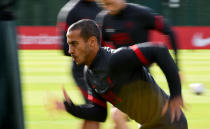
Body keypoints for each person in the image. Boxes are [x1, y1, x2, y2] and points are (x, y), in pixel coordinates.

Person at [55, 19, 188, 129]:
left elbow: (160, 51)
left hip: (170, 122)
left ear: (92, 42)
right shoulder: (89, 74)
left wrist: (176, 94)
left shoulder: (116, 58)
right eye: (69, 45)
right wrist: (71, 108)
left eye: (74, 44)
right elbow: (99, 112)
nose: (70, 50)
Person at [95, 0, 180, 128]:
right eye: (105, 4)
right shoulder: (104, 19)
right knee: (119, 122)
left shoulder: (141, 14)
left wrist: (177, 66)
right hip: (119, 81)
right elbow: (99, 49)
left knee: (118, 117)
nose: (107, 7)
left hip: (141, 81)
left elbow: (169, 31)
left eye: (110, 3)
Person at [56, 0, 102, 129]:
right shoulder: (71, 11)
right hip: (82, 71)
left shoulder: (101, 7)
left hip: (101, 68)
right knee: (94, 111)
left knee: (96, 112)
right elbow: (65, 48)